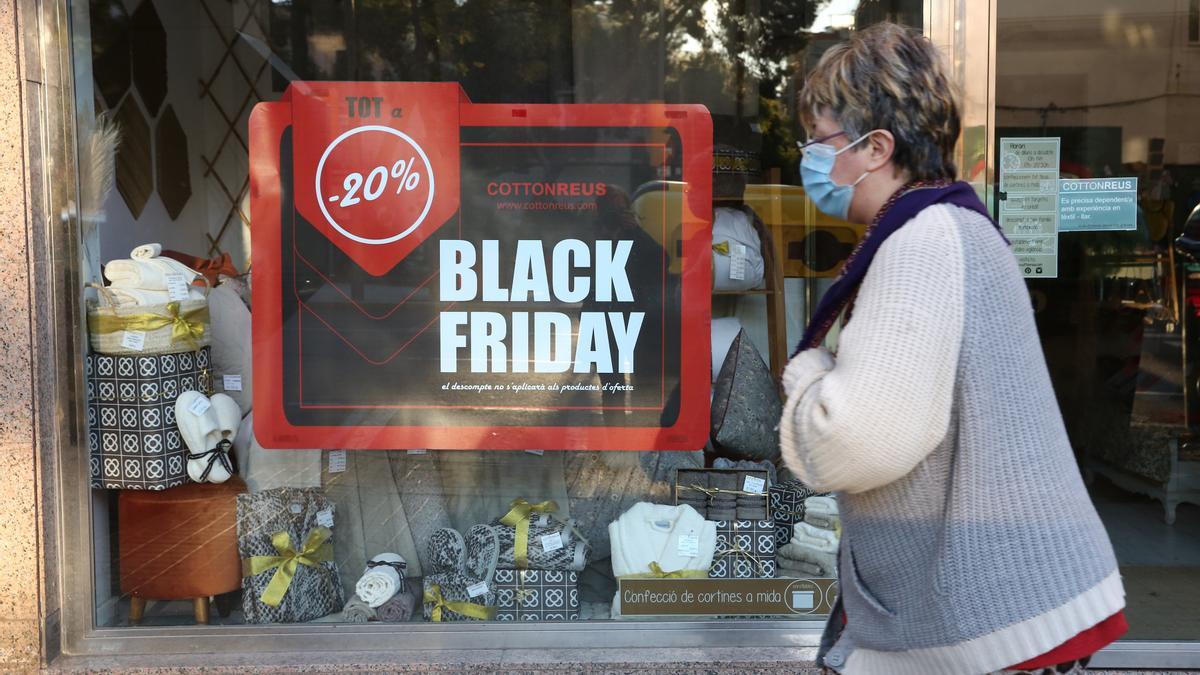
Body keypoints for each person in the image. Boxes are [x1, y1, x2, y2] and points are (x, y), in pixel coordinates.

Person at [779, 23, 1126, 675]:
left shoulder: (921, 243)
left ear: (876, 146)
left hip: (993, 622)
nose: (810, 157)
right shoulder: (949, 225)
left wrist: (808, 374)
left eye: (820, 140)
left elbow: (855, 441)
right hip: (1009, 607)